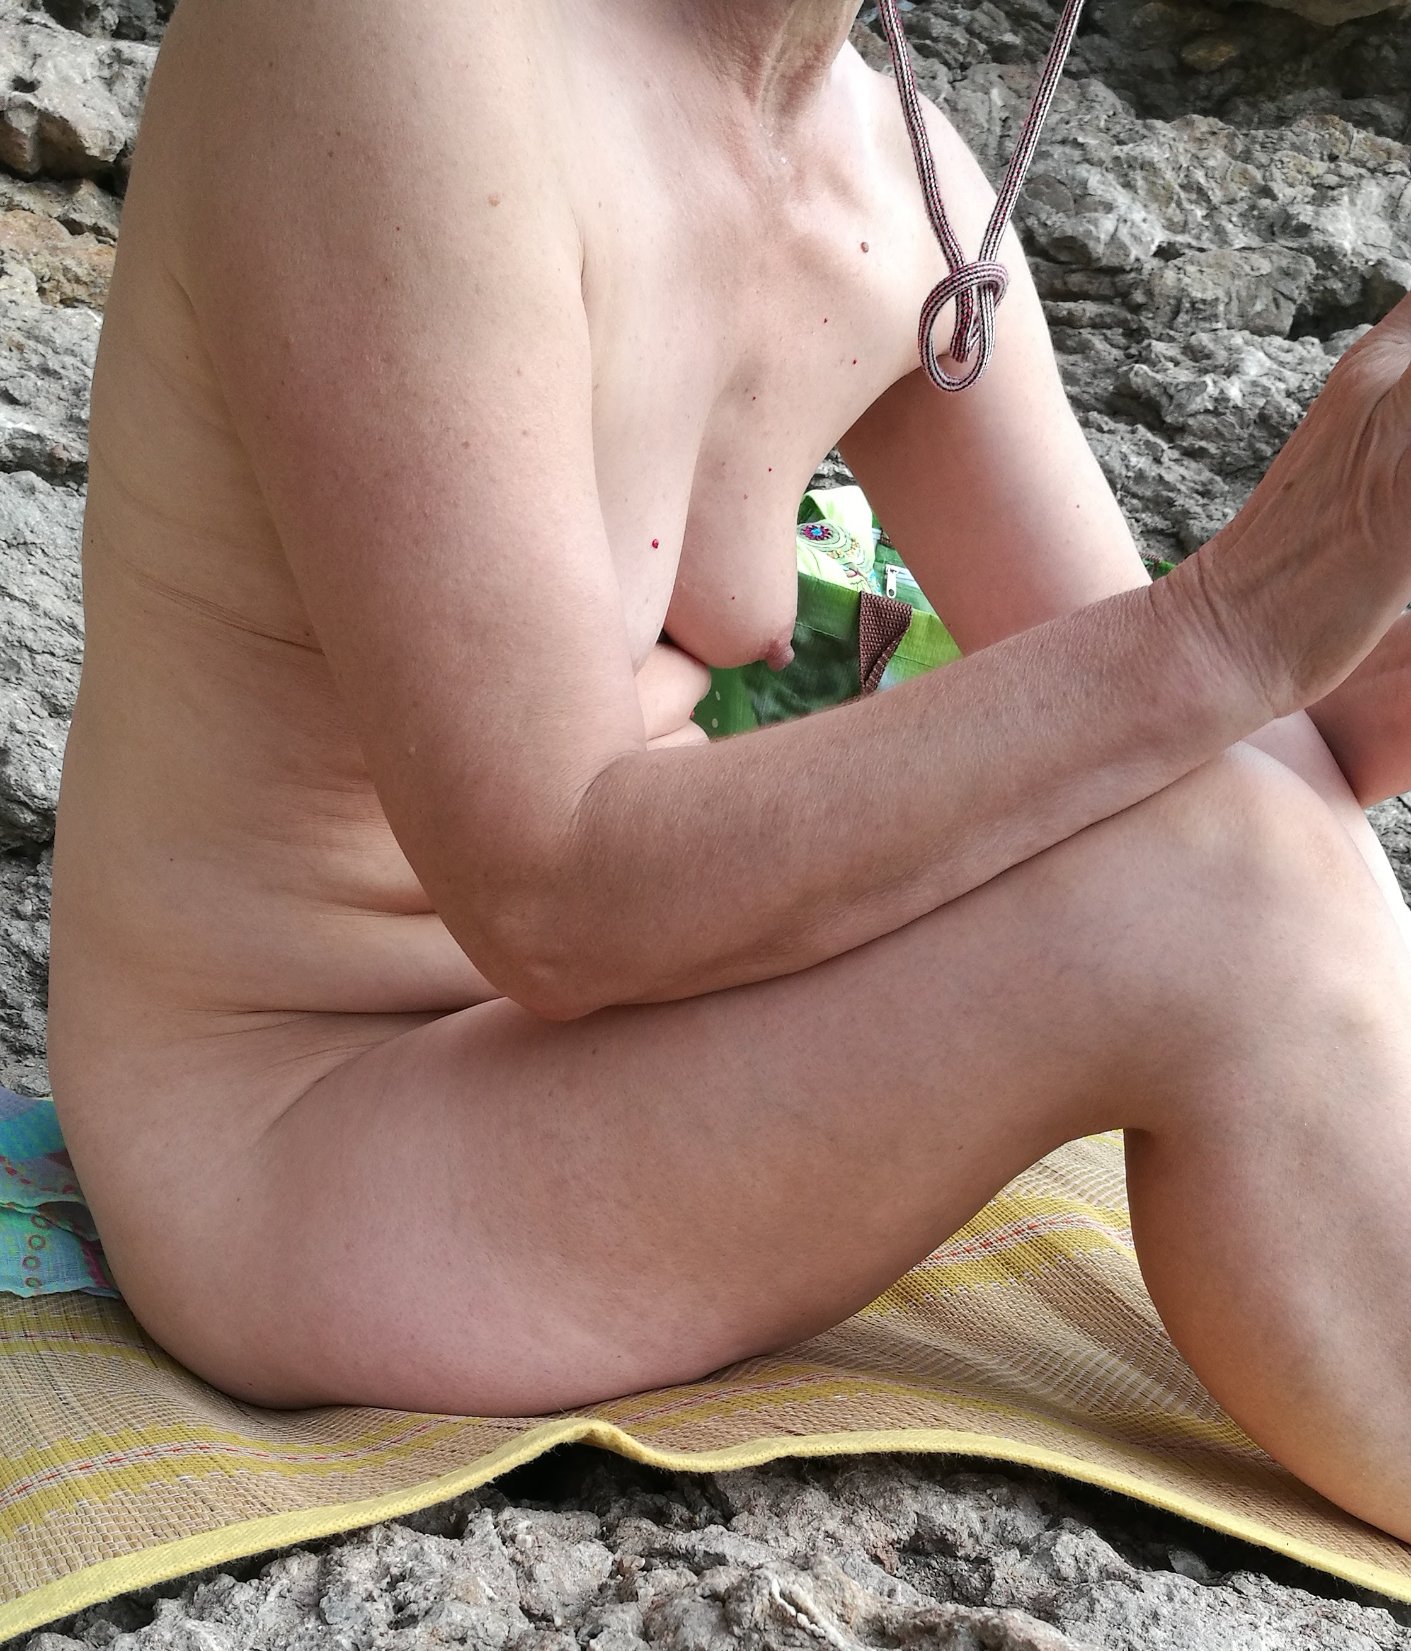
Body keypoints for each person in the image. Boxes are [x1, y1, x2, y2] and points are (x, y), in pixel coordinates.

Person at [44, 0, 1411, 1543]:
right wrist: (1230, 625)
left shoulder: (888, 175)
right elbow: (549, 891)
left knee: (1263, 854)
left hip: (621, 1045)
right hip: (291, 1140)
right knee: (1226, 906)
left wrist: (1342, 620)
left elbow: (1217, 754)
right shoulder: (388, 45)